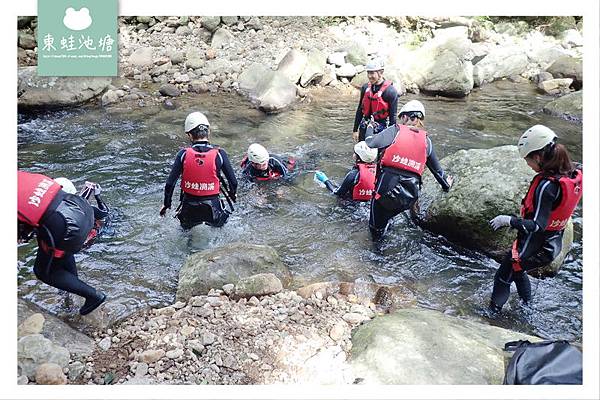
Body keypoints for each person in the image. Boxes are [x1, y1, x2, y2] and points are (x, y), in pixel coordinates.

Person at [488, 125, 582, 313]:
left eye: (528, 160)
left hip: (533, 245)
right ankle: (527, 308)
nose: (527, 165)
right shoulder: (574, 172)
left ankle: (492, 316)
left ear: (538, 157)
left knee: (503, 276)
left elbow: (537, 225)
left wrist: (509, 220)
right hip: (553, 244)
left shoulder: (547, 186)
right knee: (518, 270)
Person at [17, 171, 106, 315]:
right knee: (60, 254)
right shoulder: (19, 175)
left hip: (66, 226)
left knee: (43, 271)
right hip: (81, 209)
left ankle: (93, 296)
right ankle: (69, 300)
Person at [365, 100, 454, 239]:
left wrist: (369, 127)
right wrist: (447, 184)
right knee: (392, 213)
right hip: (408, 197)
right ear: (420, 120)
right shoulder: (426, 141)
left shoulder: (395, 130)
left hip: (385, 194)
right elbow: (438, 173)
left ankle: (377, 254)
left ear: (405, 117)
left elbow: (370, 142)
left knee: (375, 230)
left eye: (402, 118)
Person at [160, 111, 237, 229]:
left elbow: (170, 184)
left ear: (189, 135)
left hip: (188, 210)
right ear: (208, 132)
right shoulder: (220, 154)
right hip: (213, 210)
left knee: (186, 233)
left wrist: (167, 204)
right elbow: (233, 182)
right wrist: (232, 194)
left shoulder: (183, 154)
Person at [352, 57, 399, 143]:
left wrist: (391, 137)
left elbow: (393, 117)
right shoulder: (365, 88)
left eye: (372, 73)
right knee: (360, 153)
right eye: (368, 73)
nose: (369, 76)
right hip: (364, 126)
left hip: (380, 129)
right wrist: (355, 130)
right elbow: (360, 109)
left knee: (377, 154)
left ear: (381, 72)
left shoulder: (390, 91)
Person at [56, 179, 110, 249]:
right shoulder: (85, 209)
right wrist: (98, 197)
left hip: (65, 245)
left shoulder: (53, 212)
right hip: (87, 242)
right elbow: (105, 214)